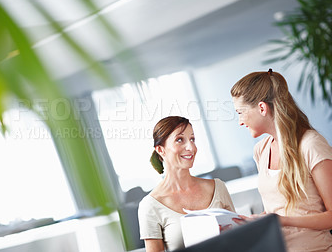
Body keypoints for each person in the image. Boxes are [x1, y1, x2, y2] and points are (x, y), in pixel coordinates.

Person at [231, 69, 332, 251]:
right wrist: (253, 221)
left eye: (240, 112)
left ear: (262, 108)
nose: (239, 121)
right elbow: (277, 210)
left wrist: (281, 221)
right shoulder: (261, 150)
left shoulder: (311, 144)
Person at [138, 116, 235, 252]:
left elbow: (239, 239)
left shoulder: (217, 187)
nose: (191, 147)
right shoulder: (150, 205)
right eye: (179, 140)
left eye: (192, 139)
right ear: (161, 150)